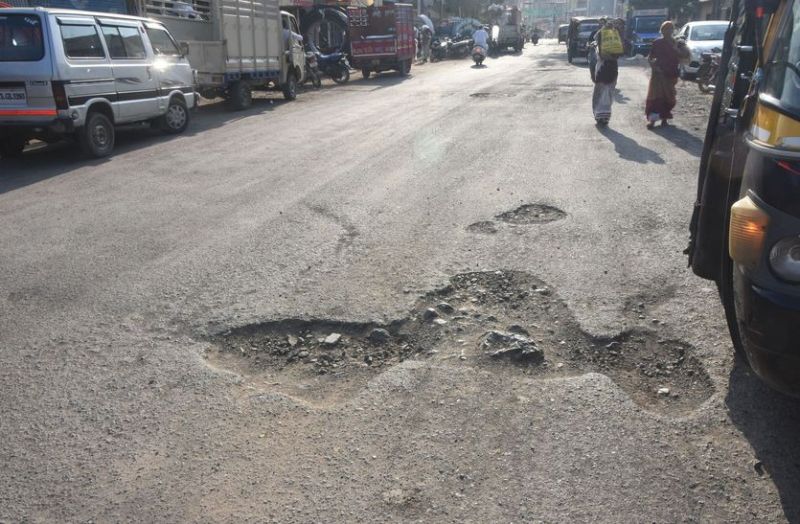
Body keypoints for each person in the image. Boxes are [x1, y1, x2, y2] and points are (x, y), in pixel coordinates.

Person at [645, 20, 689, 128]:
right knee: (656, 98)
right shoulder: (657, 43)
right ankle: (653, 120)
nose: (668, 31)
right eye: (665, 29)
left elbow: (685, 55)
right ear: (662, 30)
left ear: (673, 30)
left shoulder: (677, 43)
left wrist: (677, 50)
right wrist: (654, 67)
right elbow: (650, 58)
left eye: (670, 29)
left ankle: (664, 118)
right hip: (658, 74)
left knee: (669, 98)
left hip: (671, 74)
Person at [592, 18, 624, 125]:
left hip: (603, 65)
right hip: (611, 65)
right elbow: (621, 50)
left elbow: (596, 43)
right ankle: (604, 116)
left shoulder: (601, 34)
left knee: (602, 90)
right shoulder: (615, 35)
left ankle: (600, 115)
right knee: (608, 90)